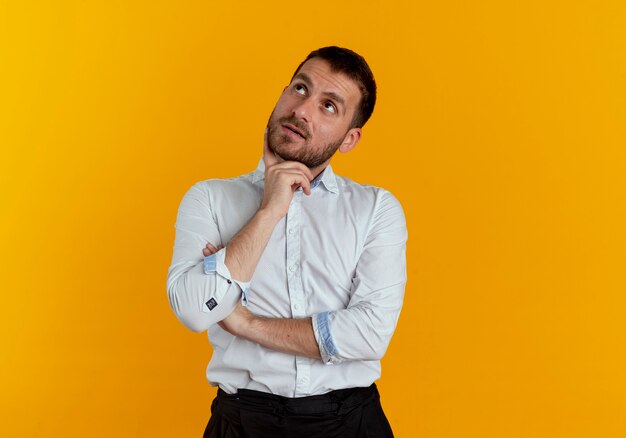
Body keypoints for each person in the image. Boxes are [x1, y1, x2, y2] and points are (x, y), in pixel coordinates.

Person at [167, 46, 408, 437]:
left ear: (350, 139)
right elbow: (195, 311)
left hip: (349, 422)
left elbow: (369, 334)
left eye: (329, 106)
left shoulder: (375, 209)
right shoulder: (209, 198)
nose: (303, 110)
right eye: (300, 88)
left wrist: (243, 322)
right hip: (242, 422)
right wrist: (268, 211)